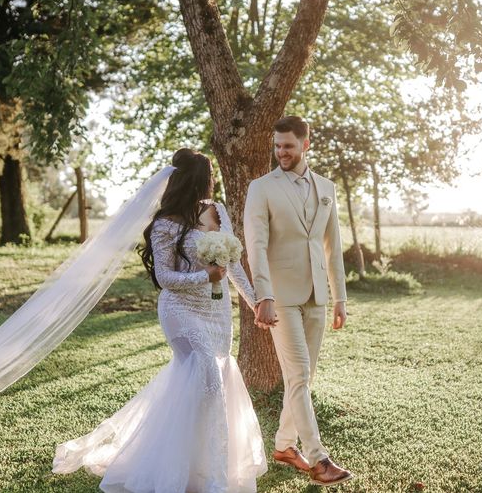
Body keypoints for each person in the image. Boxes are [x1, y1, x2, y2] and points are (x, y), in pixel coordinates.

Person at [53, 148, 268, 492]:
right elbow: (165, 278)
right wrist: (205, 277)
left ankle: (197, 466)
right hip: (180, 311)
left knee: (206, 383)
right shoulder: (166, 223)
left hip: (216, 312)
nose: (213, 182)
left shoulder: (218, 210)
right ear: (195, 180)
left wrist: (256, 303)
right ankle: (205, 478)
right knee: (208, 378)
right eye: (209, 176)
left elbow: (233, 267)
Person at [243, 116, 353, 486]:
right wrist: (264, 296)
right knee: (299, 374)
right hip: (281, 298)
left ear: (306, 144)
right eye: (277, 146)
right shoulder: (262, 188)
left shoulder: (326, 188)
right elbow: (255, 246)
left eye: (288, 146)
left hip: (317, 297)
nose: (281, 153)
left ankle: (284, 446)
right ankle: (318, 458)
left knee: (302, 378)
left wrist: (339, 297)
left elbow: (332, 246)